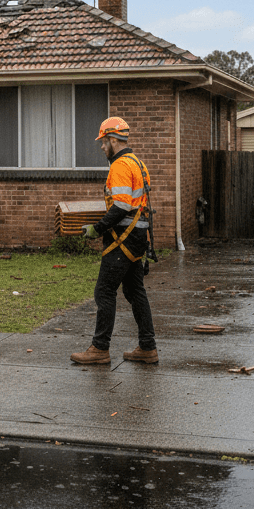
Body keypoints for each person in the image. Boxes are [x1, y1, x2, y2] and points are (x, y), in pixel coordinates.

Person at [70, 116, 159, 365]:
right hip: (138, 237)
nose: (101, 147)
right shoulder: (138, 163)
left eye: (103, 142)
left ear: (111, 140)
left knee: (104, 291)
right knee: (134, 291)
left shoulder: (120, 165)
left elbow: (121, 205)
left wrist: (97, 229)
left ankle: (99, 349)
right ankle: (147, 347)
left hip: (123, 239)